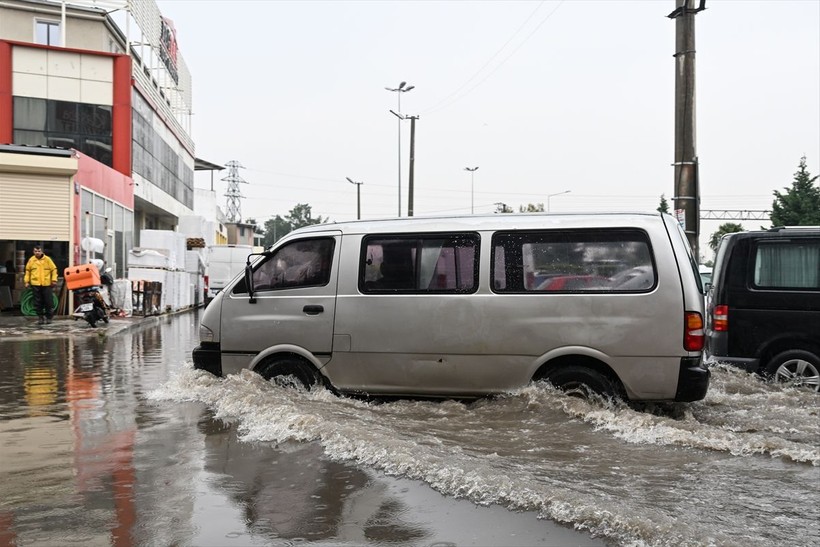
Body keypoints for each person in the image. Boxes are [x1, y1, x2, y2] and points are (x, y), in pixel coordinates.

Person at [24, 246, 58, 324]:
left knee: (48, 302)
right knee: (38, 302)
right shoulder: (31, 260)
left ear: (42, 251)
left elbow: (54, 270)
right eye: (36, 251)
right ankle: (40, 317)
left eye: (39, 251)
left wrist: (54, 280)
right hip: (36, 285)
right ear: (33, 252)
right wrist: (26, 282)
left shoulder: (48, 260)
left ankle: (49, 317)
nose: (37, 253)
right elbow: (27, 272)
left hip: (47, 285)